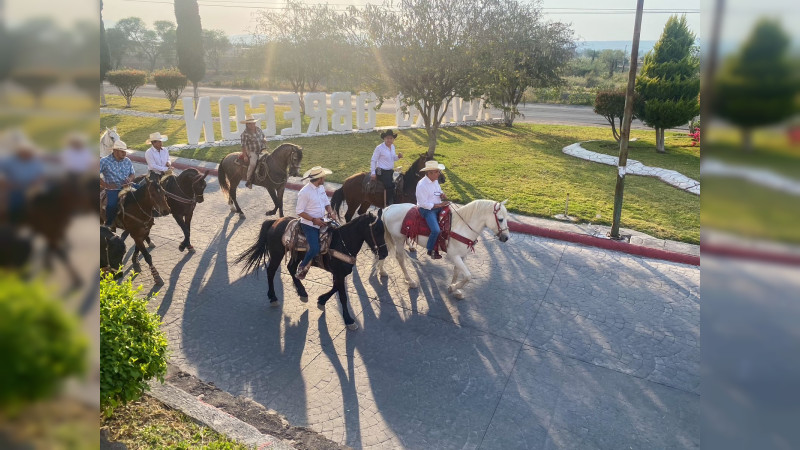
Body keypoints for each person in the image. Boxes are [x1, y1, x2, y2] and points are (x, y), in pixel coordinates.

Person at [295, 166, 335, 280]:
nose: (325, 178)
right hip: (309, 225)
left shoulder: (321, 187)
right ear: (319, 178)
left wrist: (331, 212)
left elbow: (326, 203)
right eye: (323, 176)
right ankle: (302, 266)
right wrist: (314, 220)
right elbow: (299, 211)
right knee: (314, 248)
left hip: (323, 220)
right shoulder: (304, 192)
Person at [0, 132, 46, 223]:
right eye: (24, 152)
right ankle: (14, 222)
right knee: (16, 203)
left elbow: (41, 174)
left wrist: (38, 181)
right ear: (19, 152)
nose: (27, 154)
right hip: (16, 187)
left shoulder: (35, 161)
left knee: (47, 199)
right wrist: (5, 182)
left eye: (29, 152)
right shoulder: (9, 160)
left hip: (33, 187)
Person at [99, 140, 136, 231]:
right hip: (113, 189)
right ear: (115, 151)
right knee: (111, 205)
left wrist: (129, 180)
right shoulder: (104, 161)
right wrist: (106, 185)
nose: (124, 153)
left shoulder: (127, 160)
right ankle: (109, 224)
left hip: (128, 186)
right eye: (122, 151)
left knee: (147, 192)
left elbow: (132, 174)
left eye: (125, 151)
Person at [415, 160, 449, 260]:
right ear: (430, 173)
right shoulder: (422, 185)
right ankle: (430, 249)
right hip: (427, 210)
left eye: (439, 171)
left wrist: (442, 194)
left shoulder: (435, 181)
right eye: (437, 172)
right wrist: (439, 205)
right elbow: (423, 204)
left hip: (438, 206)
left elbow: (438, 191)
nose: (439, 174)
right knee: (436, 230)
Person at [370, 130, 403, 206]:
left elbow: (393, 158)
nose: (389, 140)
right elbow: (373, 160)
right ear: (384, 139)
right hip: (381, 170)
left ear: (393, 139)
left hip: (390, 170)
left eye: (391, 138)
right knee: (389, 185)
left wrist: (398, 157)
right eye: (387, 138)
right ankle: (388, 204)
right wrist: (373, 173)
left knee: (399, 181)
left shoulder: (393, 146)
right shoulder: (379, 148)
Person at [240, 114, 268, 189]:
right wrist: (245, 156)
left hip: (262, 149)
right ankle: (249, 180)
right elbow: (243, 146)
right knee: (252, 164)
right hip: (252, 151)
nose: (252, 124)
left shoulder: (258, 129)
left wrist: (264, 139)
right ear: (247, 124)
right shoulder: (244, 134)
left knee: (270, 160)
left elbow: (263, 136)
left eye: (253, 123)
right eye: (250, 123)